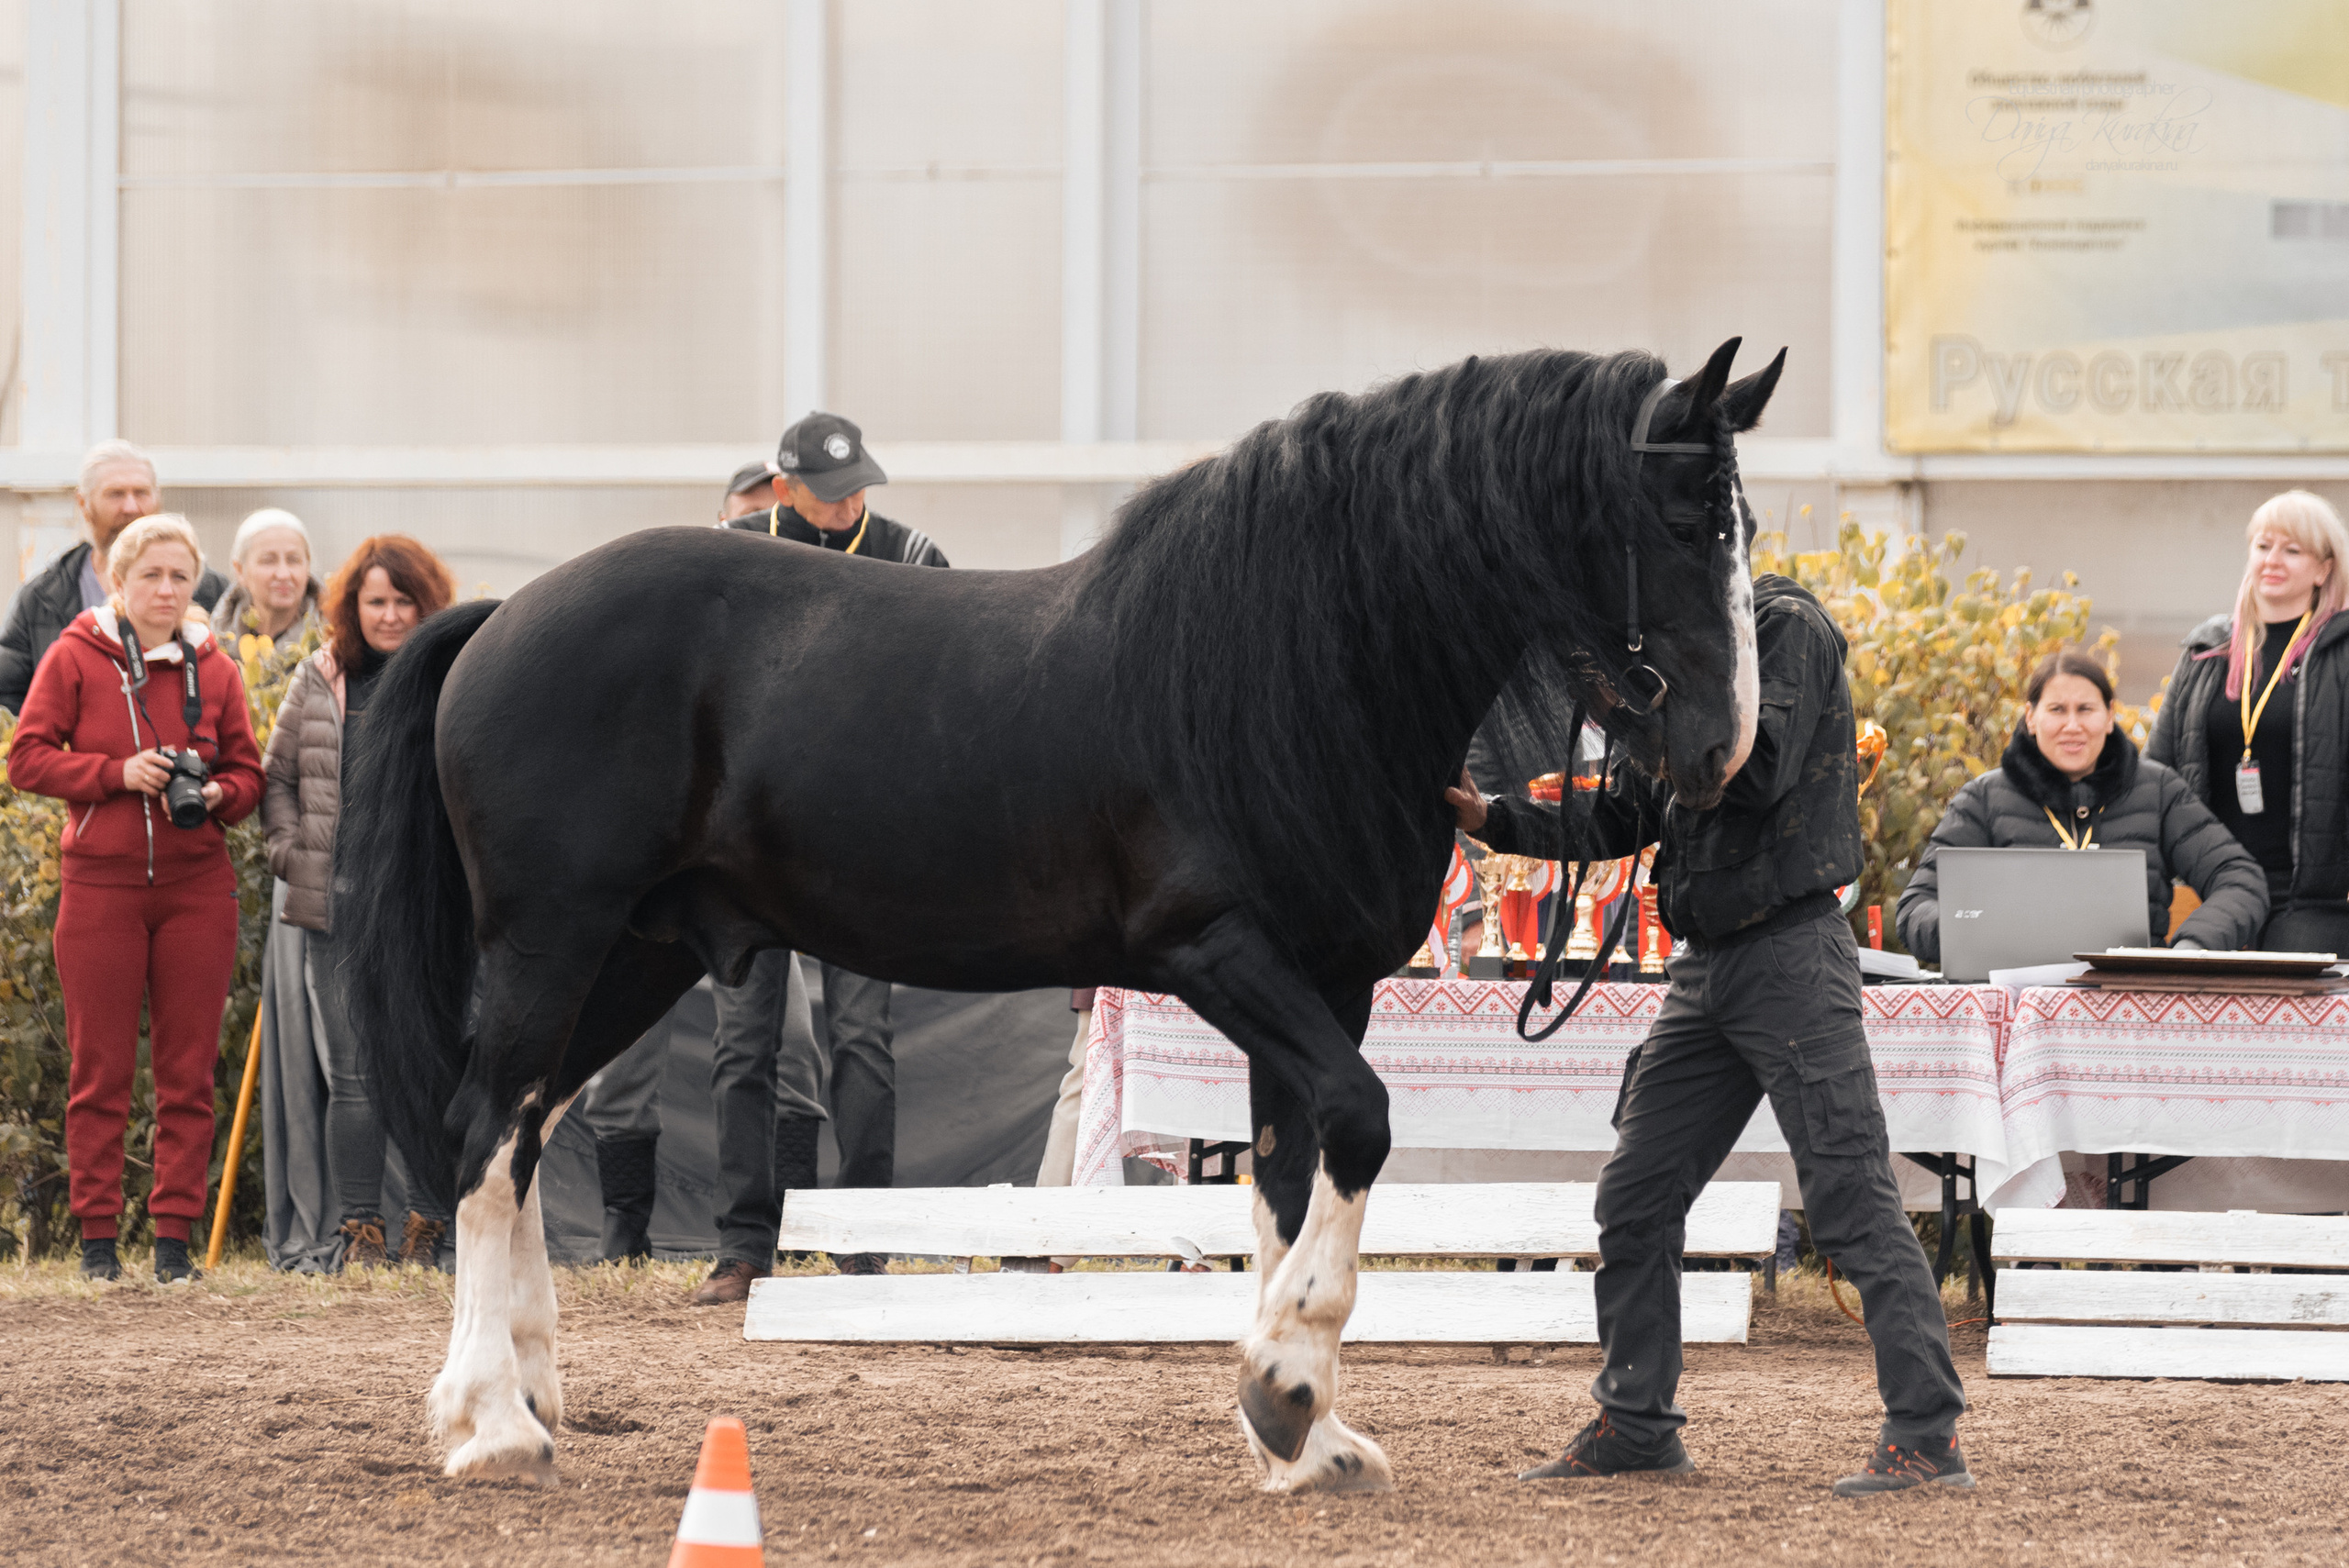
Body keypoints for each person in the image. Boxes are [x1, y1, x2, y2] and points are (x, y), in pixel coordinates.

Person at [1446, 569, 1971, 1496]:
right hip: (1709, 966)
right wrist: (1492, 817)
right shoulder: (1679, 663)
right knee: (1635, 1196)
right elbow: (1625, 812)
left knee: (1849, 1198)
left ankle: (1926, 1432)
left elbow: (1752, 769)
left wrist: (1630, 701)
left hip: (1788, 956)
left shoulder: (1785, 627)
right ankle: (1637, 1422)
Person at [687, 414, 945, 1306]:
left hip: (864, 843)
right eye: (830, 492)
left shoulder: (913, 558)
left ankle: (863, 1237)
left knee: (863, 1039)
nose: (848, 505)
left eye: (858, 487)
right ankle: (744, 1240)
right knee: (743, 1043)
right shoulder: (728, 554)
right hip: (747, 847)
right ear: (783, 485)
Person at [6, 514, 265, 1284]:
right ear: (117, 580)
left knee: (187, 1072)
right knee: (102, 1069)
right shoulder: (74, 655)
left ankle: (174, 1244)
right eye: (149, 575)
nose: (165, 589)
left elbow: (250, 774)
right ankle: (95, 1243)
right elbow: (26, 758)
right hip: (100, 888)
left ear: (197, 585)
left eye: (180, 577)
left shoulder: (216, 668)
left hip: (196, 889)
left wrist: (219, 789)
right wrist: (114, 775)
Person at [262, 535, 459, 1269]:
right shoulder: (321, 678)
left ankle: (430, 1224)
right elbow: (275, 779)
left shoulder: (453, 671)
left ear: (426, 603)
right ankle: (360, 1229)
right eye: (376, 600)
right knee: (354, 1074)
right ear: (353, 605)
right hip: (339, 905)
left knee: (430, 1064)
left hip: (426, 909)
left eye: (404, 600)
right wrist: (293, 854)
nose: (390, 615)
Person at [1897, 650, 2267, 961]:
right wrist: (1977, 930)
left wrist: (2189, 949)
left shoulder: (2158, 790)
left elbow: (2241, 880)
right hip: (2014, 997)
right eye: (2057, 709)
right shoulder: (1983, 797)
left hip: (2132, 997)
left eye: (2085, 709)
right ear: (2031, 717)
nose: (2072, 725)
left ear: (2109, 717)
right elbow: (1916, 906)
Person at [2148, 491, 2349, 952]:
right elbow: (2156, 776)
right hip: (2222, 891)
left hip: (2315, 901)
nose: (2272, 560)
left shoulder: (2342, 653)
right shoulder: (2206, 651)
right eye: (2263, 546)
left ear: (2323, 569)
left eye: (2292, 550)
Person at [1, 440, 228, 714]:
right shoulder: (43, 597)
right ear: (83, 503)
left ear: (158, 499)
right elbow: (8, 697)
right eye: (116, 494)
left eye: (141, 493)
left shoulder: (208, 589)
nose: (131, 507)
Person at [213, 508, 326, 666]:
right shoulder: (212, 644)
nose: (283, 574)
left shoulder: (336, 642)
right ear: (240, 570)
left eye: (293, 560)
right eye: (268, 560)